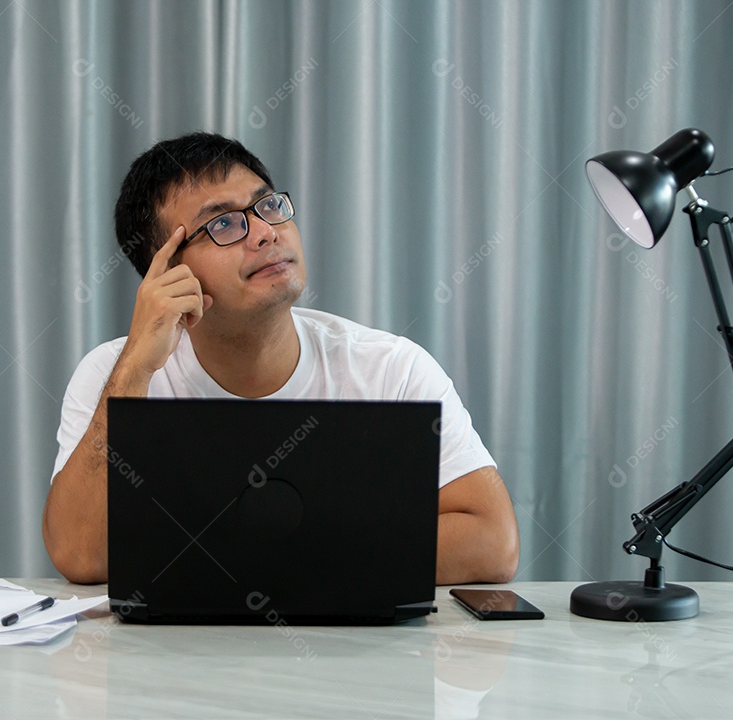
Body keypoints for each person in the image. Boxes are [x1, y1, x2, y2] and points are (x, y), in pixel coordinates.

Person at [43, 131, 519, 585]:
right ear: (165, 273)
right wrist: (136, 369)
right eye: (223, 223)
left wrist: (255, 554)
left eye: (268, 206)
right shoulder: (115, 374)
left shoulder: (392, 369)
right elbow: (80, 553)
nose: (266, 233)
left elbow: (493, 544)